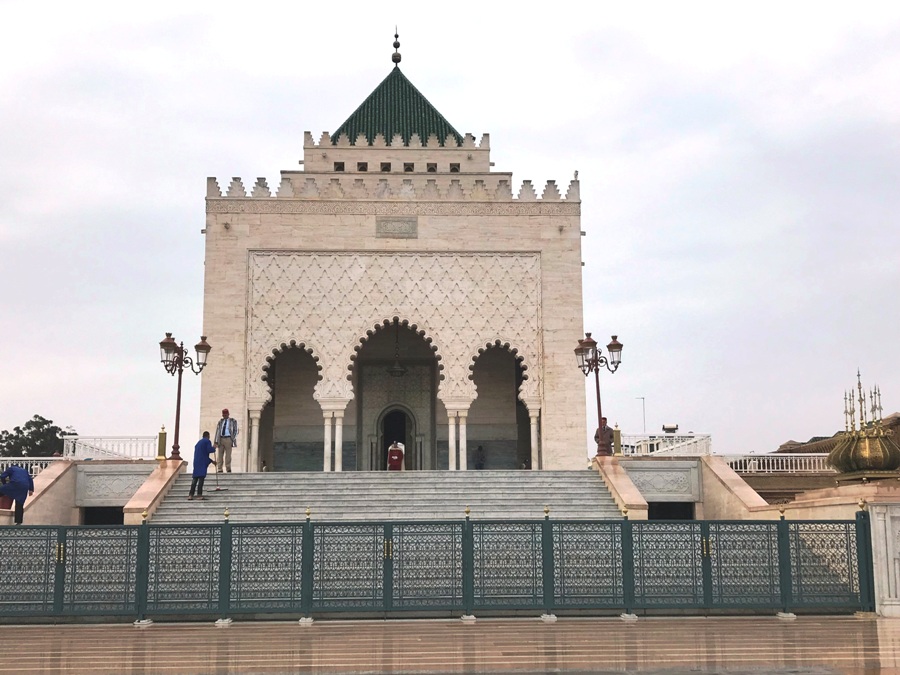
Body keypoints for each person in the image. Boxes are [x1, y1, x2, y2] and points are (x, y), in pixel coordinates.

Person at [189, 432, 216, 501]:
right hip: (202, 462)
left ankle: (191, 495)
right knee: (201, 479)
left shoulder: (198, 443)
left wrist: (212, 461)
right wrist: (214, 448)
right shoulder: (207, 441)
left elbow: (203, 453)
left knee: (195, 479)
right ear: (208, 436)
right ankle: (199, 495)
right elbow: (209, 450)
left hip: (197, 462)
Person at [214, 408, 238, 473]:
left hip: (228, 438)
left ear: (228, 414)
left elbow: (236, 430)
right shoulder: (220, 422)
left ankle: (228, 468)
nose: (224, 416)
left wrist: (233, 438)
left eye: (225, 414)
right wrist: (215, 441)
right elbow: (217, 431)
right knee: (220, 454)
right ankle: (219, 468)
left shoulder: (233, 421)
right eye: (223, 415)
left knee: (228, 455)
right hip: (221, 439)